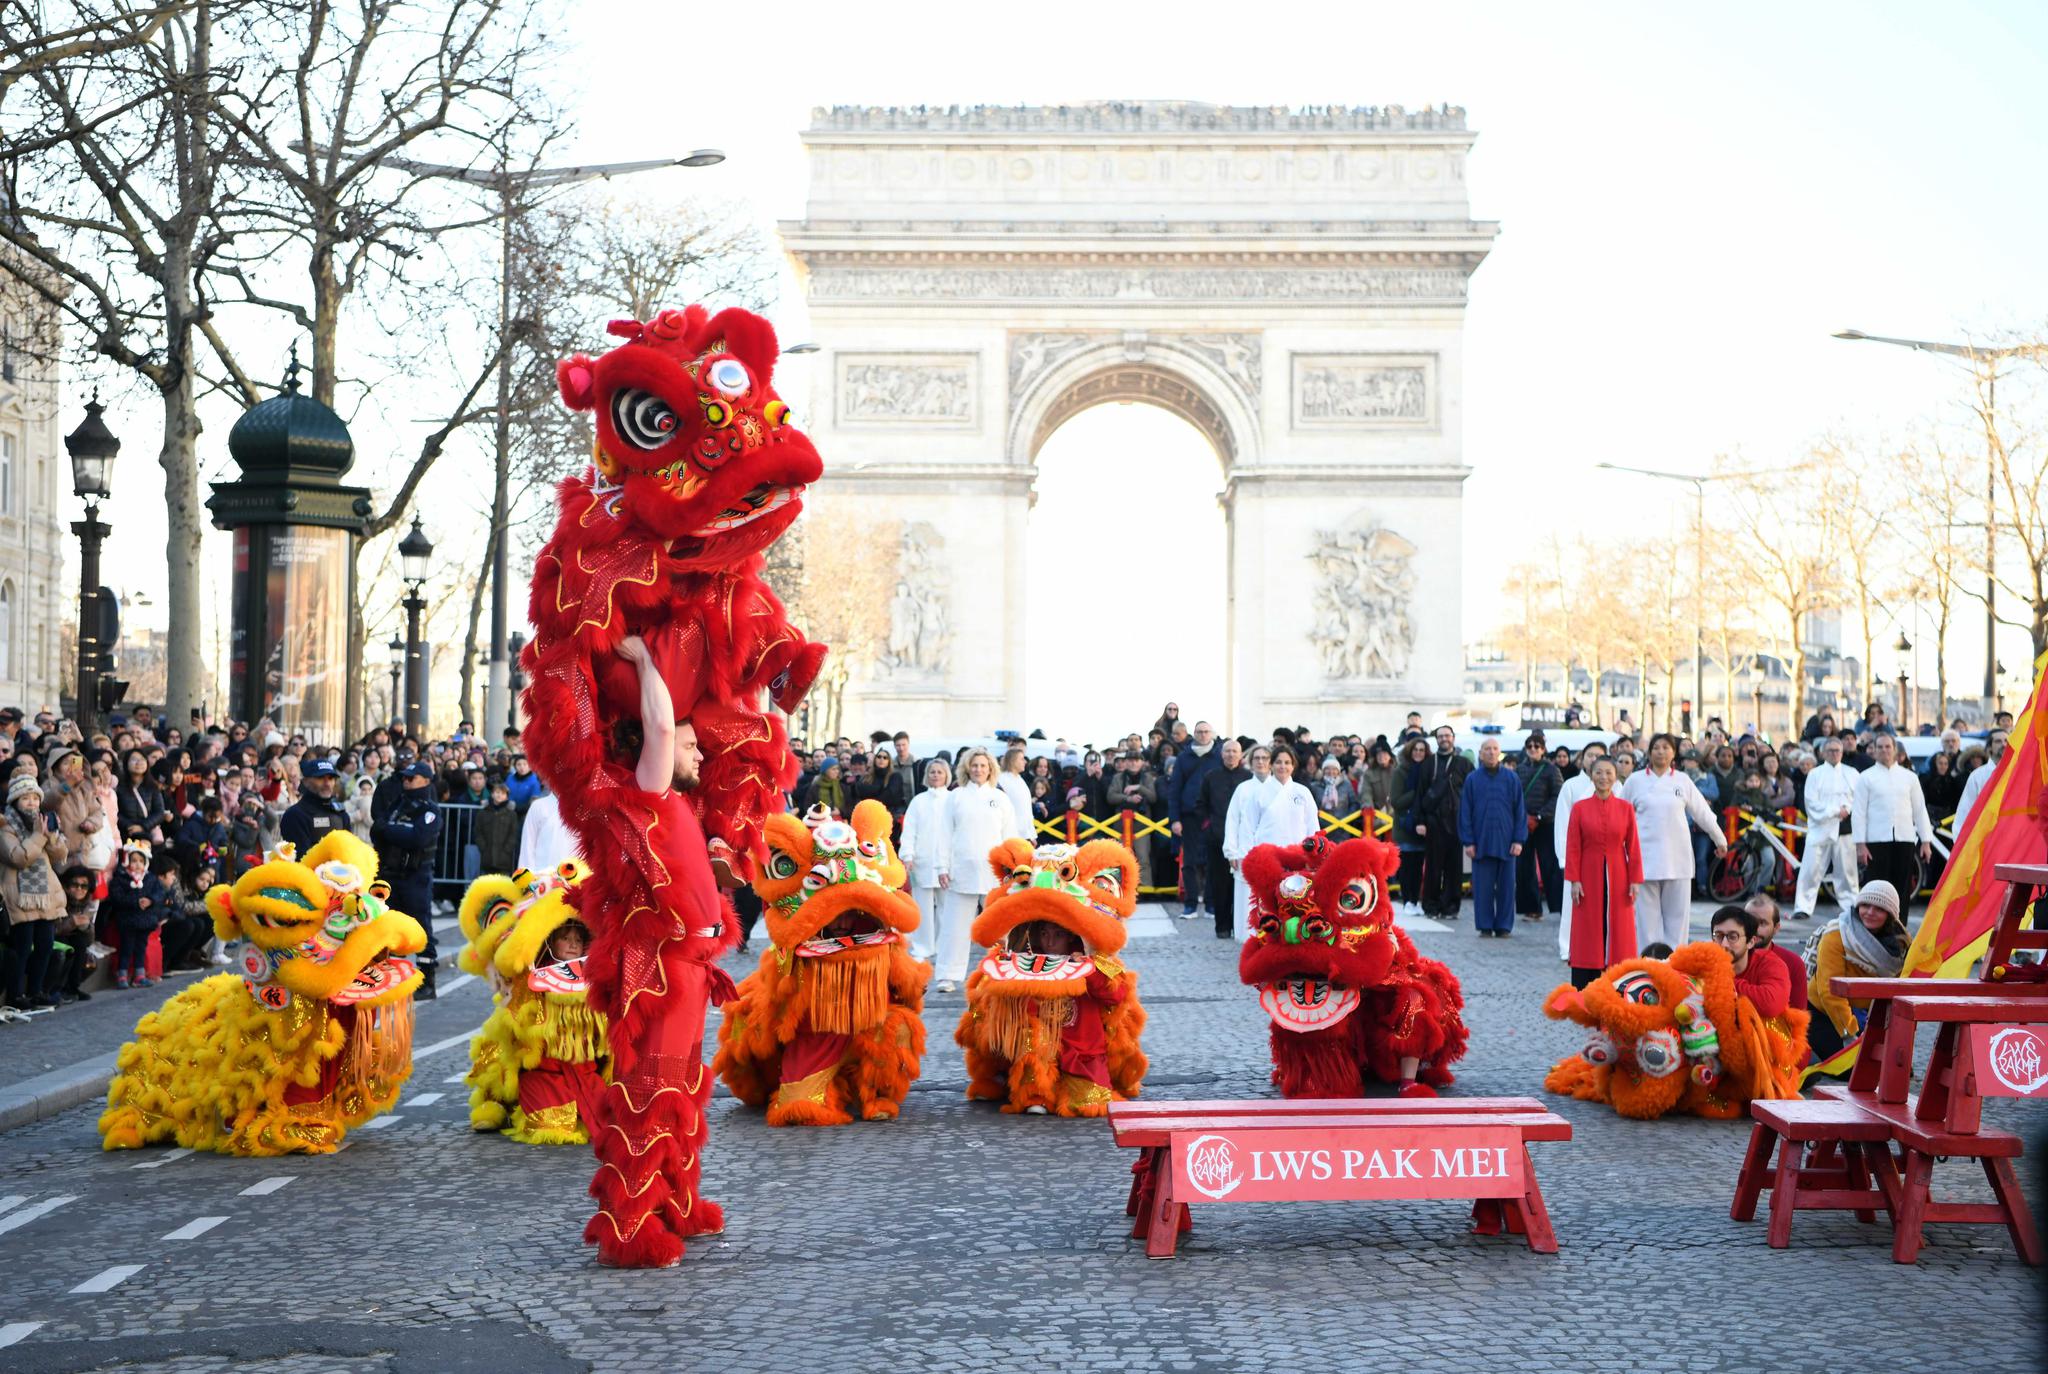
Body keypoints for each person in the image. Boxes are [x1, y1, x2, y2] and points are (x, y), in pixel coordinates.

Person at [1622, 733, 1728, 951]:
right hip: (1644, 861)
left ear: (1674, 752)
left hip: (1677, 860)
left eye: (1666, 747)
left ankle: (1675, 967)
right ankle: (1649, 965)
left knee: (1677, 922)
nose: (1661, 751)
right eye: (1656, 747)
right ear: (1649, 752)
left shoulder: (1682, 780)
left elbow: (1702, 812)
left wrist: (1719, 838)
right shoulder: (1635, 780)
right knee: (1646, 924)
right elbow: (1621, 816)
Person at [934, 747, 1022, 994]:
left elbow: (1010, 836)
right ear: (966, 768)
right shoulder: (956, 797)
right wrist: (942, 866)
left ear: (990, 769)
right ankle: (948, 975)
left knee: (1000, 925)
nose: (978, 770)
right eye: (974, 765)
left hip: (993, 873)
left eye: (983, 766)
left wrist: (1012, 867)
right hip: (961, 871)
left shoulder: (1001, 799)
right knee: (955, 927)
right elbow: (944, 835)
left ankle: (1006, 968)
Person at [1806, 878, 1910, 1062]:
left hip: (1869, 1016)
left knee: (1893, 1066)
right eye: (1865, 905)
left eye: (1879, 908)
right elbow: (1829, 991)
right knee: (1850, 1068)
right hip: (1825, 1013)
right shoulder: (1836, 934)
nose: (1870, 912)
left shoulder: (1901, 941)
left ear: (1890, 915)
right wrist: (1849, 1033)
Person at [1563, 756, 1640, 987]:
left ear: (1615, 777)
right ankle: (1587, 979)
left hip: (1618, 872)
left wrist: (1635, 879)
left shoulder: (1625, 809)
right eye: (1598, 772)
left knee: (1620, 927)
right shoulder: (1580, 808)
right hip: (1588, 872)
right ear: (1591, 775)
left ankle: (1619, 979)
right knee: (1588, 925)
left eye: (1608, 772)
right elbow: (1573, 846)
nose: (1603, 777)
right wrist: (1574, 879)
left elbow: (1633, 845)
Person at [373, 760, 443, 998]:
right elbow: (377, 828)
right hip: (391, 875)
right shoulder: (397, 804)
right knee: (387, 927)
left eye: (411, 779)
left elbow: (417, 838)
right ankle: (387, 978)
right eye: (404, 778)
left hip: (416, 877)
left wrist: (391, 831)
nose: (406, 782)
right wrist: (394, 831)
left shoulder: (430, 810)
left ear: (425, 781)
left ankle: (427, 980)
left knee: (421, 928)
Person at [1, 773, 70, 1010]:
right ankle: (15, 995)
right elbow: (18, 858)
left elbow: (61, 855)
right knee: (22, 948)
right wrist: (39, 836)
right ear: (14, 802)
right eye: (25, 798)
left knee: (45, 945)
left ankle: (37, 991)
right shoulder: (5, 826)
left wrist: (50, 835)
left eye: (34, 797)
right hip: (19, 895)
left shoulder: (42, 822)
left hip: (45, 896)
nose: (31, 802)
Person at [1851, 733, 1931, 905]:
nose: (1884, 750)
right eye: (1880, 747)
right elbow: (1858, 813)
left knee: (1902, 887)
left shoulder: (1909, 777)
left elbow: (1919, 810)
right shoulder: (1865, 777)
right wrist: (1860, 844)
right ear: (1874, 750)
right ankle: (1876, 929)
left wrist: (1926, 841)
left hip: (1905, 838)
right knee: (1877, 889)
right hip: (1876, 840)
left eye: (1888, 747)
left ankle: (1900, 927)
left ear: (1894, 749)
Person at [1458, 738, 1524, 938]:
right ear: (1480, 753)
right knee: (1483, 888)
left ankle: (1504, 926)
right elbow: (1465, 812)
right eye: (1487, 749)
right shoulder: (1472, 779)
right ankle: (1485, 925)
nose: (1491, 752)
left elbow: (1519, 810)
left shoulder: (1512, 779)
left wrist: (1518, 840)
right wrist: (1468, 841)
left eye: (1495, 749)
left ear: (1500, 753)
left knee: (1506, 888)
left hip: (1507, 842)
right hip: (1481, 842)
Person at [1551, 742, 1608, 963]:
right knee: (1571, 903)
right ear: (1582, 759)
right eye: (1590, 755)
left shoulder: (1616, 786)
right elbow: (1562, 824)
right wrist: (1565, 858)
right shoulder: (1572, 786)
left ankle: (1599, 945)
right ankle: (1568, 947)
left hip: (1603, 855)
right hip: (1577, 854)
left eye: (1599, 756)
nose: (1594, 759)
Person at [1792, 735, 1859, 920]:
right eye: (1830, 750)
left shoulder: (1852, 773)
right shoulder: (1815, 774)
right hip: (1820, 828)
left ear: (1842, 752)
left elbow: (1858, 797)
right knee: (1810, 870)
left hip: (1845, 828)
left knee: (1847, 871)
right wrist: (1835, 811)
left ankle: (1851, 906)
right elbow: (1811, 802)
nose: (1834, 754)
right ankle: (1803, 906)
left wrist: (1847, 810)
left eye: (1837, 750)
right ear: (1823, 753)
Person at [1192, 738, 1250, 939]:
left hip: (1243, 841)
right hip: (1216, 838)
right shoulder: (1211, 777)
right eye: (1227, 751)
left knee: (1241, 884)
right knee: (1219, 884)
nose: (1231, 755)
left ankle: (1240, 926)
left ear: (1241, 755)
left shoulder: (1248, 778)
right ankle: (1222, 926)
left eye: (1235, 751)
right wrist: (1208, 826)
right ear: (1221, 754)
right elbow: (1200, 805)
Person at [1166, 721, 1224, 920]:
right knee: (1189, 862)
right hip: (1188, 816)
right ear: (1194, 734)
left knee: (1211, 862)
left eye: (1206, 731)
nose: (1202, 735)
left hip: (1211, 816)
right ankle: (1190, 905)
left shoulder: (1219, 756)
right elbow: (1174, 790)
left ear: (1212, 734)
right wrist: (1174, 819)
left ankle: (1210, 905)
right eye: (1199, 732)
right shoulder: (1183, 758)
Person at [898, 757, 953, 964]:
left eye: (940, 772)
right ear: (926, 776)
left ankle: (943, 945)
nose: (936, 775)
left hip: (947, 862)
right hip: (923, 860)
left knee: (946, 905)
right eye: (932, 772)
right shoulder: (918, 801)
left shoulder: (953, 799)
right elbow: (910, 830)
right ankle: (923, 946)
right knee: (922, 905)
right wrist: (908, 855)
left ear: (947, 775)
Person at [1415, 726, 1471, 921]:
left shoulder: (1464, 764)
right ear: (1436, 740)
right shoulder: (1428, 764)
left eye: (1447, 736)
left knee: (1454, 868)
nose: (1444, 739)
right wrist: (1420, 821)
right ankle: (1431, 906)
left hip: (1456, 822)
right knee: (1433, 867)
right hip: (1433, 822)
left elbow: (1471, 795)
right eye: (1440, 736)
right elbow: (1420, 793)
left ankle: (1451, 907)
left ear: (1453, 738)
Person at [1222, 744, 1275, 941]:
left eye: (1265, 758)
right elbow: (1233, 820)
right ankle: (1246, 938)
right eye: (1257, 758)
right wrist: (1232, 851)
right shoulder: (1243, 790)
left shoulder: (1278, 789)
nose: (1261, 762)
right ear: (1250, 763)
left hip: (1272, 853)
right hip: (1245, 851)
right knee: (1246, 898)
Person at [1512, 733, 1563, 923]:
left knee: (1549, 865)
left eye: (1537, 746)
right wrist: (1522, 817)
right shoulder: (1519, 769)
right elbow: (1515, 796)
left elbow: (1557, 796)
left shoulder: (1551, 770)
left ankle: (1558, 907)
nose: (1533, 749)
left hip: (1545, 824)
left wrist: (1540, 816)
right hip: (1524, 822)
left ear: (1543, 749)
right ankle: (1531, 908)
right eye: (1530, 746)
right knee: (1524, 867)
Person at [1709, 904, 1790, 1019]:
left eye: (1733, 936)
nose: (1724, 944)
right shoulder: (1703, 961)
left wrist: (1722, 983)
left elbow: (1771, 1005)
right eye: (1718, 936)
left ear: (1751, 942)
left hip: (1762, 1035)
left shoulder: (1770, 963)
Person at [101, 839, 161, 990]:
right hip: (128, 921)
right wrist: (136, 902)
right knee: (126, 948)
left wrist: (151, 900)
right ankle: (122, 974)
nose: (138, 864)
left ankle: (139, 975)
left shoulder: (150, 878)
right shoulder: (121, 878)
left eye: (141, 860)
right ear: (127, 860)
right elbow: (117, 897)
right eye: (134, 860)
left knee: (141, 948)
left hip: (145, 920)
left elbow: (160, 893)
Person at [1389, 736, 1432, 919]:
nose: (1418, 753)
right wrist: (1416, 792)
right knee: (1407, 868)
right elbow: (1396, 801)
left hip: (1423, 826)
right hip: (1405, 827)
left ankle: (1416, 901)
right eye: (1415, 750)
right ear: (1410, 751)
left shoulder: (1429, 771)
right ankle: (1407, 900)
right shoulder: (1401, 771)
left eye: (1422, 750)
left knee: (1418, 867)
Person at [1744, 893, 1807, 1011]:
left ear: (1776, 928)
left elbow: (1799, 1017)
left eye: (1762, 923)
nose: (1755, 928)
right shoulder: (1729, 957)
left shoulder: (1793, 963)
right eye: (1749, 921)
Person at [1251, 746, 1319, 856]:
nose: (1283, 766)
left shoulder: (1302, 791)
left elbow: (1312, 824)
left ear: (1293, 766)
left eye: (1287, 762)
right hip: (1267, 855)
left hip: (1298, 854)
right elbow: (1248, 826)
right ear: (1271, 765)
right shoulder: (1259, 792)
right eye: (1278, 762)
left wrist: (1313, 852)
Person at [279, 757, 350, 854]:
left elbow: (349, 850)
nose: (327, 784)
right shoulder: (294, 815)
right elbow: (300, 856)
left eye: (331, 778)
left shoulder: (340, 813)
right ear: (305, 782)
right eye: (321, 778)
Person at [1955, 728, 2009, 829]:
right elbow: (1965, 812)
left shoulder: (2017, 772)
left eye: (2006, 740)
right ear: (1989, 748)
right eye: (1998, 741)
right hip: (1986, 835)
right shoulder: (1977, 776)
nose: (2004, 744)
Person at [475, 780, 521, 875]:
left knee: (502, 885)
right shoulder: (483, 813)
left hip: (504, 858)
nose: (499, 795)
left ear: (507, 796)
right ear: (492, 794)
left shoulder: (511, 814)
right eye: (497, 792)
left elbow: (513, 833)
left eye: (503, 793)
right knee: (487, 885)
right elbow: (478, 831)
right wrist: (483, 847)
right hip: (487, 856)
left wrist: (507, 849)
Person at [996, 747, 1034, 839]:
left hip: (1024, 835)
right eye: (1021, 759)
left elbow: (1026, 809)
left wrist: (1032, 834)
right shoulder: (1001, 780)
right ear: (1013, 761)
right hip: (1008, 835)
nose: (1025, 762)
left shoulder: (1020, 779)